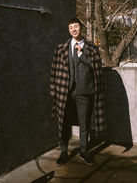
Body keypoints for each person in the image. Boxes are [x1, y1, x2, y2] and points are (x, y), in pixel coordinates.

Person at [50, 17, 106, 166]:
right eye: (71, 27)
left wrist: (82, 54)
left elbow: (96, 67)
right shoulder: (61, 48)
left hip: (85, 91)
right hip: (65, 92)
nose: (74, 30)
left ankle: (84, 151)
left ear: (81, 28)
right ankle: (63, 152)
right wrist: (53, 92)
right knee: (64, 123)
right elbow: (54, 72)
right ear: (69, 30)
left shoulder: (91, 47)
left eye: (76, 27)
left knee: (84, 123)